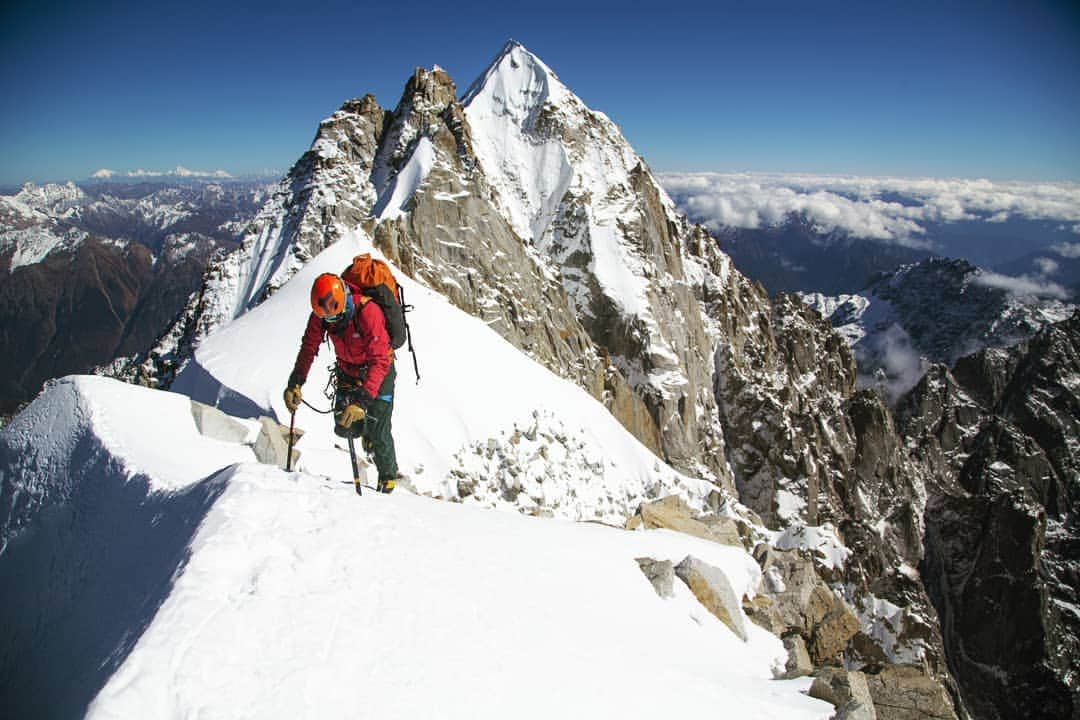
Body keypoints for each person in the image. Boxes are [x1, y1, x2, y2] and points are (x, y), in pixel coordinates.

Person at [283, 272, 399, 493]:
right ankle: (365, 431)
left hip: (380, 373)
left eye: (334, 315)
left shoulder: (368, 312)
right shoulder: (321, 315)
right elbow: (309, 348)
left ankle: (387, 478)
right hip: (348, 372)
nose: (330, 320)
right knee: (344, 427)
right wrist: (295, 382)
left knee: (379, 430)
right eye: (325, 316)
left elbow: (380, 360)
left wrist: (363, 401)